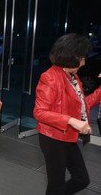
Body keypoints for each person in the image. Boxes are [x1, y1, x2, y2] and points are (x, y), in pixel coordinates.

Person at [33, 33, 101, 194]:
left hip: (68, 135)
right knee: (56, 185)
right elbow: (39, 112)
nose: (84, 62)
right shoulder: (50, 77)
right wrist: (71, 120)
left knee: (81, 179)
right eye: (82, 58)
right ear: (72, 57)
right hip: (53, 138)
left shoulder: (73, 75)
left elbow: (83, 105)